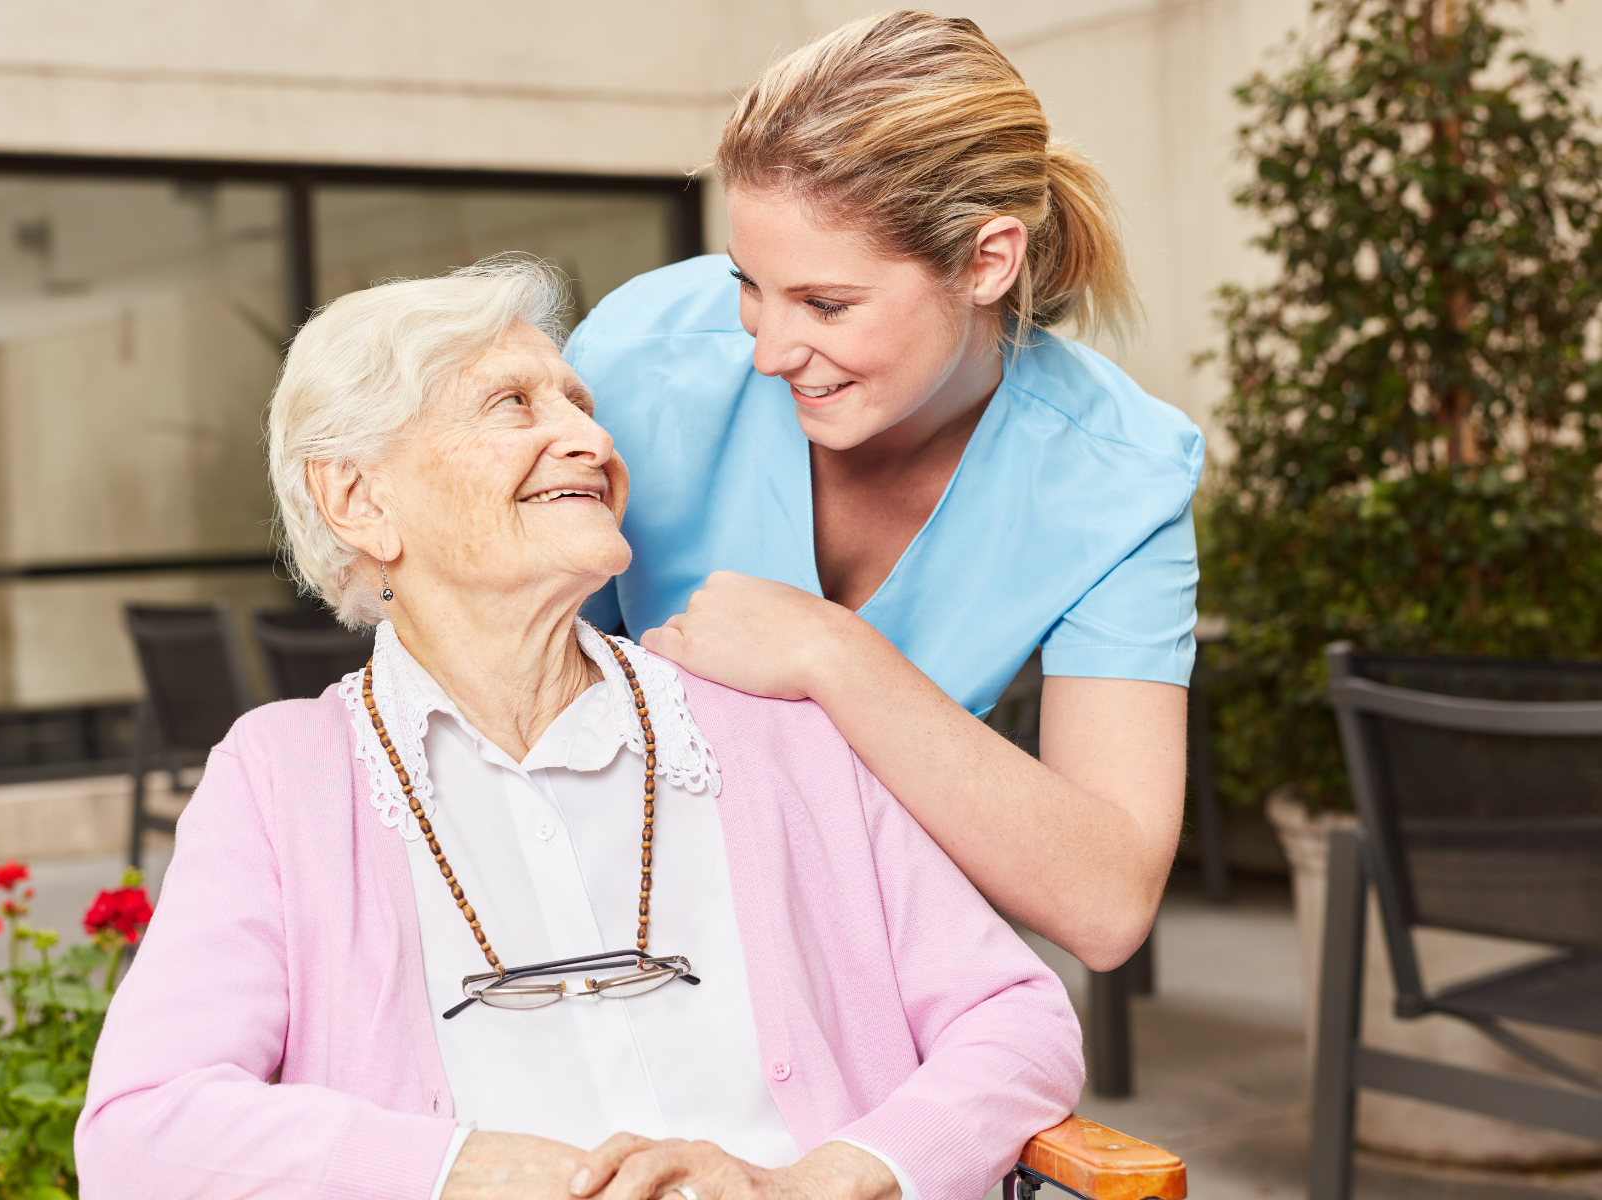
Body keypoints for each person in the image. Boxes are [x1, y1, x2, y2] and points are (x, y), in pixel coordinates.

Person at [74, 259, 1082, 1200]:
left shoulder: (774, 733)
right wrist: (466, 1171)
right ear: (361, 498)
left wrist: (828, 1176)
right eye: (512, 404)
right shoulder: (281, 779)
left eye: (581, 406)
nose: (589, 441)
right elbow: (140, 1127)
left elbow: (1015, 1019)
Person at [564, 11, 1204, 972]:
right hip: (604, 923)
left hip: (868, 954)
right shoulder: (639, 358)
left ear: (988, 261)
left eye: (827, 304)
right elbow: (507, 682)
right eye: (749, 283)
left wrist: (833, 653)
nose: (770, 352)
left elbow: (1108, 900)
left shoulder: (1121, 478)